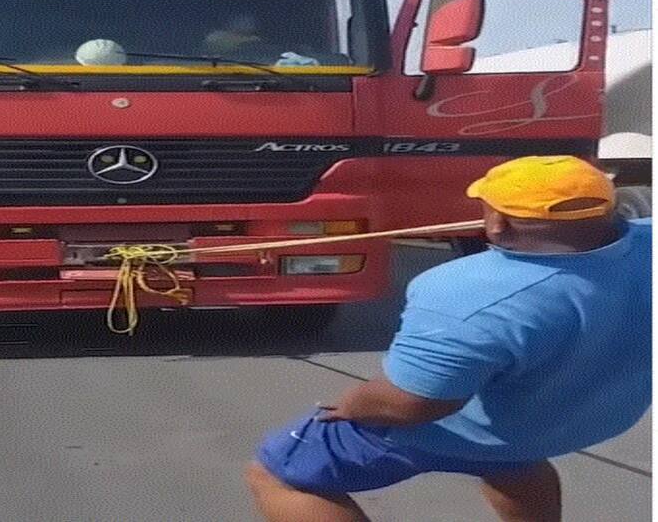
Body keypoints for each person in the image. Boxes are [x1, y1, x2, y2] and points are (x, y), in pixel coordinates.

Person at [246, 155, 651, 522]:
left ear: (497, 222)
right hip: (576, 419)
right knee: (516, 459)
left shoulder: (464, 292)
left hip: (473, 431)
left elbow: (411, 405)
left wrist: (354, 405)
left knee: (278, 472)